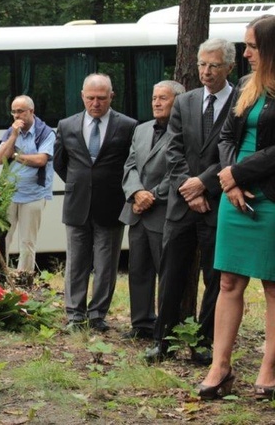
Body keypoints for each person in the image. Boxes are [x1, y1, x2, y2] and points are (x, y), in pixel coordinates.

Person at [197, 15, 275, 399]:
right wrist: (229, 178)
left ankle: (269, 368)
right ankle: (220, 366)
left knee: (274, 287)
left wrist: (237, 174)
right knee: (228, 281)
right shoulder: (245, 85)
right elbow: (227, 135)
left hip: (270, 194)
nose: (245, 54)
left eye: (253, 47)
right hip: (235, 192)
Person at [145, 38, 236, 364]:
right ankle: (162, 340)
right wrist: (188, 187)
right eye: (202, 64)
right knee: (171, 273)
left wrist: (204, 184)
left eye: (213, 65)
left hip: (218, 201)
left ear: (229, 67)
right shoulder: (186, 101)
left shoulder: (241, 101)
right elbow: (174, 148)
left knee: (215, 277)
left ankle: (203, 342)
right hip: (182, 204)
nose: (206, 72)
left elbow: (234, 151)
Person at [53, 73, 137, 332]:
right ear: (82, 96)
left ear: (111, 96)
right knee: (76, 263)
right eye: (90, 98)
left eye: (101, 98)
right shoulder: (67, 125)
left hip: (111, 204)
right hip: (77, 204)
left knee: (106, 264)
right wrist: (79, 183)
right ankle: (74, 315)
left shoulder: (128, 126)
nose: (96, 103)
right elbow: (60, 162)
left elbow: (131, 163)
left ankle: (97, 314)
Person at [119, 81, 183, 340]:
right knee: (138, 269)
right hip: (137, 211)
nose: (156, 102)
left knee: (165, 272)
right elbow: (130, 164)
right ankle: (142, 323)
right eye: (154, 97)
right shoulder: (141, 129)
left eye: (163, 98)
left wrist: (152, 196)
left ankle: (166, 327)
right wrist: (136, 192)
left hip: (164, 211)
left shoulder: (183, 131)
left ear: (177, 101)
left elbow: (179, 170)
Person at [0, 95, 55, 273]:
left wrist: (15, 156)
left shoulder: (45, 133)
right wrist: (13, 135)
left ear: (31, 111)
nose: (16, 115)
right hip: (10, 193)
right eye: (13, 112)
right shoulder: (10, 132)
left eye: (20, 111)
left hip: (34, 194)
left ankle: (24, 279)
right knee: (2, 238)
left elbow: (41, 160)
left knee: (27, 242)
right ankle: (0, 276)